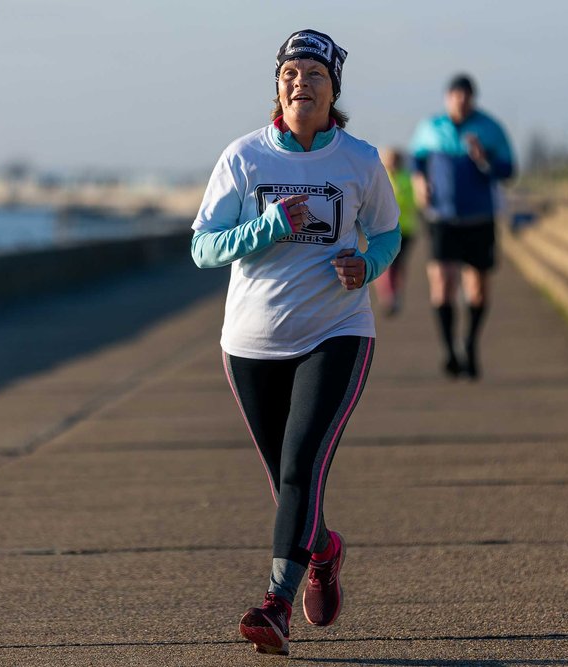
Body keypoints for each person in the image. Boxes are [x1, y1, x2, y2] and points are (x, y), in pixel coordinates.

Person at [190, 29, 401, 657]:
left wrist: (367, 265)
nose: (298, 83)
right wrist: (267, 226)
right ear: (276, 88)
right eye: (288, 74)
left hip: (337, 332)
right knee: (288, 484)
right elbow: (203, 247)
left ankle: (275, 605)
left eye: (312, 73)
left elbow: (388, 234)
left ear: (334, 88)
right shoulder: (245, 158)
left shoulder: (358, 161)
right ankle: (325, 550)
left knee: (301, 464)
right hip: (250, 346)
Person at [410, 74, 515, 379]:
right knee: (441, 281)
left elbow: (509, 169)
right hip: (442, 217)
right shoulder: (431, 128)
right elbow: (417, 160)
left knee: (478, 288)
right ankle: (448, 349)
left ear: (473, 99)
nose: (461, 100)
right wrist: (419, 181)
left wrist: (484, 159)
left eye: (466, 96)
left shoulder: (490, 128)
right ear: (447, 98)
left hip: (479, 218)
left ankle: (469, 342)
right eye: (455, 95)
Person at [374, 148, 417, 316]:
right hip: (384, 228)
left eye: (394, 159)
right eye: (389, 159)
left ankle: (396, 293)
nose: (392, 163)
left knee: (399, 265)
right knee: (385, 264)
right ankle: (388, 297)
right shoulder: (379, 178)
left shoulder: (407, 178)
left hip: (405, 229)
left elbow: (415, 202)